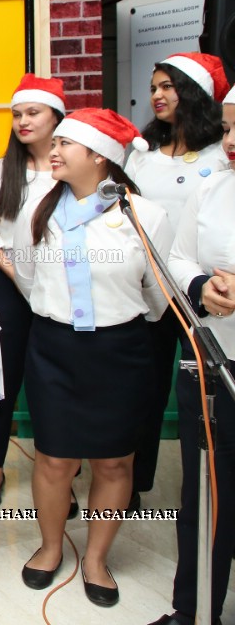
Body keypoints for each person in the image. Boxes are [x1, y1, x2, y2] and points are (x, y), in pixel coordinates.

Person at [12, 108, 171, 607]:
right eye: (53, 143)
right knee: (55, 458)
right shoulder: (36, 206)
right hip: (53, 346)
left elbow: (157, 297)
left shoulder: (145, 215)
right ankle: (51, 546)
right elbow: (27, 276)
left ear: (100, 157)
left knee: (115, 462)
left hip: (119, 350)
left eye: (65, 144)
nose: (52, 151)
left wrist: (109, 318)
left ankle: (98, 559)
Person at [125, 52, 228, 509]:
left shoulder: (218, 155)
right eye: (154, 88)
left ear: (195, 93)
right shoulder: (141, 153)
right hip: (144, 290)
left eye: (168, 86)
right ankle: (132, 483)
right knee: (141, 391)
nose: (158, 96)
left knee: (201, 396)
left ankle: (205, 493)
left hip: (196, 295)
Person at [157, 88, 235, 625]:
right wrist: (203, 285)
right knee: (204, 492)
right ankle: (192, 609)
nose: (228, 144)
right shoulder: (212, 191)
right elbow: (178, 258)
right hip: (211, 361)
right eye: (226, 130)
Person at [0, 75, 63, 508]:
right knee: (1, 380)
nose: (22, 122)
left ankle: (62, 469)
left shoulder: (71, 165)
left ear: (56, 117)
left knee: (57, 383)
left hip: (64, 290)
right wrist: (21, 281)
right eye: (17, 114)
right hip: (10, 287)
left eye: (33, 113)